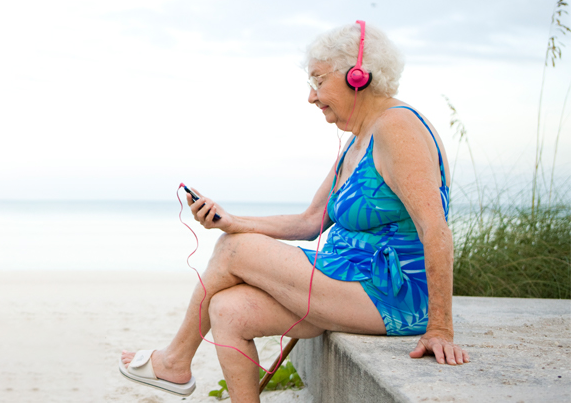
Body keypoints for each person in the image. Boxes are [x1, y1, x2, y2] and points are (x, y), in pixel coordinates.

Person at [117, 21, 468, 402]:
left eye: (318, 81)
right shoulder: (357, 143)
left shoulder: (397, 128)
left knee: (235, 250)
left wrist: (441, 329)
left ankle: (174, 362)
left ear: (358, 76)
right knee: (227, 310)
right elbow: (310, 222)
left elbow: (435, 229)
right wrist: (232, 221)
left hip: (393, 295)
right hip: (347, 281)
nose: (312, 97)